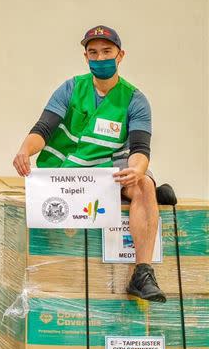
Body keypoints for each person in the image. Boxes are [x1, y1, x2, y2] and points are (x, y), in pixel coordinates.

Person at [13, 25, 165, 302]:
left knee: (144, 184)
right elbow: (43, 129)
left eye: (107, 52)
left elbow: (141, 148)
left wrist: (138, 170)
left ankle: (142, 273)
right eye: (93, 53)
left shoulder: (135, 99)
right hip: (66, 174)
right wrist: (25, 150)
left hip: (108, 172)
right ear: (85, 57)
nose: (100, 58)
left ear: (120, 55)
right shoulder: (70, 88)